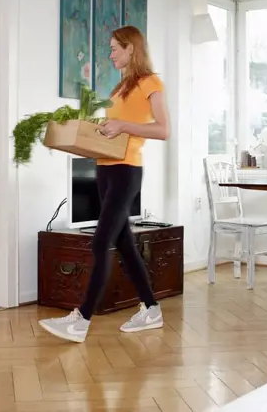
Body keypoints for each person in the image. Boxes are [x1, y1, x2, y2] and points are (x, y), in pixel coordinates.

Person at [39, 25, 170, 343]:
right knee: (123, 243)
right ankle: (151, 309)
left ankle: (80, 320)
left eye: (114, 48)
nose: (110, 54)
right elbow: (114, 129)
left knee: (100, 243)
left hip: (127, 171)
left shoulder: (149, 82)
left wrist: (123, 124)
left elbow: (163, 129)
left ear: (131, 49)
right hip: (105, 170)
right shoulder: (119, 88)